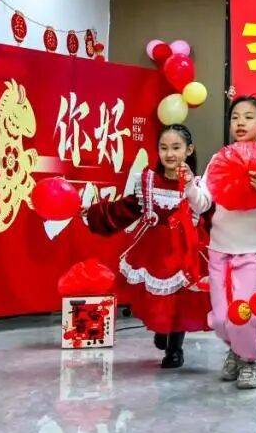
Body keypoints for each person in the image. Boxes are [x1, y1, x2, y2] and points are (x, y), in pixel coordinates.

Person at [184, 97, 256, 389]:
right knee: (220, 319)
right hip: (220, 248)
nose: (240, 123)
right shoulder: (219, 159)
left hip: (255, 249)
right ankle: (237, 350)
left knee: (242, 315)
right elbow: (203, 203)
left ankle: (251, 361)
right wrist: (189, 185)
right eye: (235, 117)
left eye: (248, 117)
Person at [84, 124, 211, 369]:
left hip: (185, 252)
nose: (170, 154)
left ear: (189, 150)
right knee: (158, 298)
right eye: (164, 148)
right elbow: (125, 209)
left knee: (180, 301)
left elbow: (209, 216)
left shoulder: (197, 184)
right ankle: (161, 330)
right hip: (154, 251)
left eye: (176, 147)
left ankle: (175, 349)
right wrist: (94, 213)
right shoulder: (149, 180)